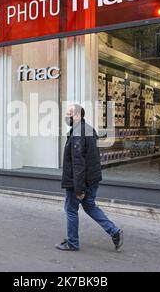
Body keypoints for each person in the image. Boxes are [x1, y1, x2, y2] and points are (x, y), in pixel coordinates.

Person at [55, 104, 123, 252]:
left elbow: (78, 163)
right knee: (89, 206)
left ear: (78, 116)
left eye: (70, 114)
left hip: (79, 181)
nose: (67, 117)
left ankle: (72, 243)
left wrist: (79, 188)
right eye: (67, 113)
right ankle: (114, 231)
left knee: (71, 210)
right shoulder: (88, 129)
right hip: (91, 179)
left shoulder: (79, 133)